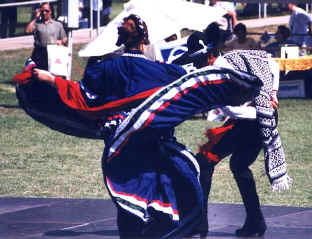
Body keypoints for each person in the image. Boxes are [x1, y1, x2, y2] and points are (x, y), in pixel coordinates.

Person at [13, 13, 263, 239]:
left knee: (129, 206)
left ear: (121, 39)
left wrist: (50, 79)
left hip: (120, 145)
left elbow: (83, 97)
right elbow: (189, 85)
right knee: (163, 195)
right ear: (144, 41)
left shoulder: (106, 69)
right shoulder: (160, 71)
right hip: (153, 144)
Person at [172, 34, 292, 237]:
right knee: (237, 165)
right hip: (252, 119)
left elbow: (270, 64)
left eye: (199, 61)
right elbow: (269, 62)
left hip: (254, 121)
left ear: (210, 56)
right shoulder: (233, 58)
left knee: (207, 162)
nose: (197, 66)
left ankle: (200, 224)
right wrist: (270, 99)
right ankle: (255, 222)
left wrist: (268, 101)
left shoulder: (220, 75)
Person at [25, 2, 67, 70]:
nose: (44, 13)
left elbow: (64, 38)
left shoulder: (57, 24)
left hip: (53, 53)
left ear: (50, 11)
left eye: (46, 11)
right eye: (42, 11)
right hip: (39, 53)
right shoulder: (37, 24)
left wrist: (61, 41)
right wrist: (35, 17)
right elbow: (27, 30)